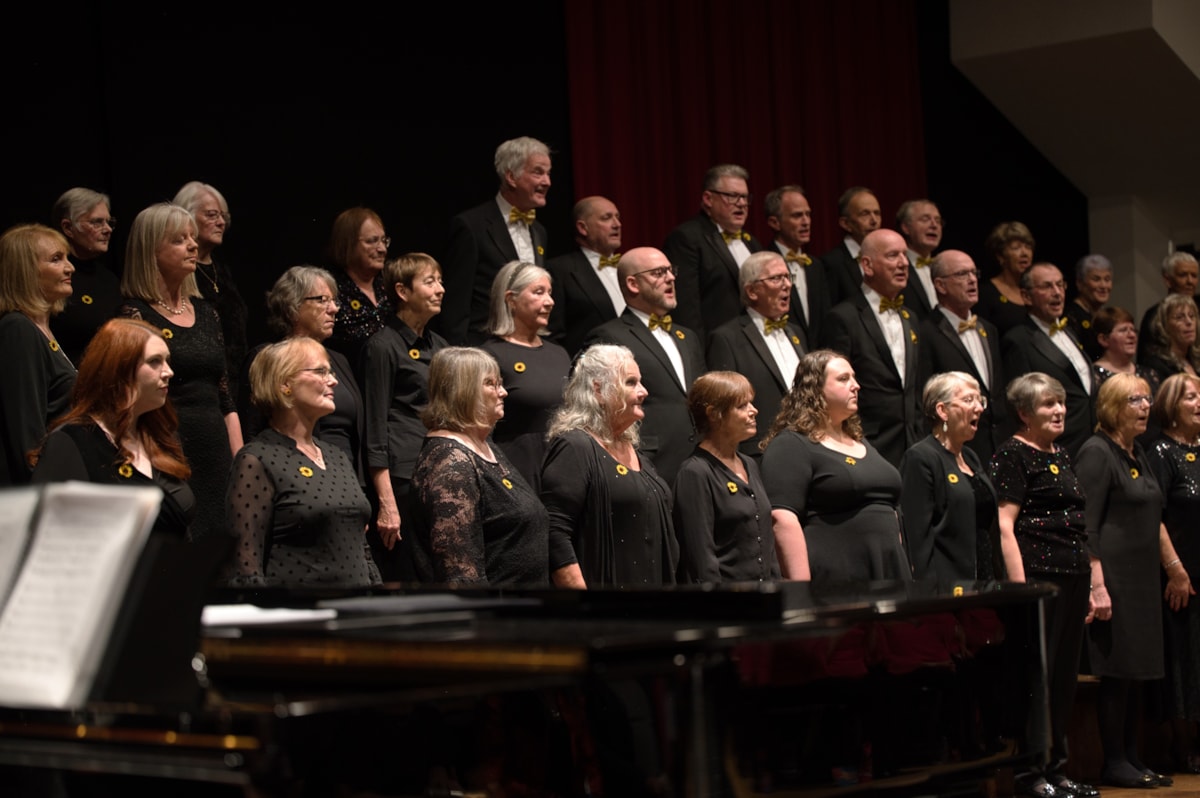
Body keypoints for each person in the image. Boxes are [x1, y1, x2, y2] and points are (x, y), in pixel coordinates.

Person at [989, 372, 1095, 798]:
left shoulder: (1061, 454)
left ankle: (1058, 767)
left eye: (1061, 403)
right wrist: (1021, 589)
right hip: (1039, 578)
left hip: (1073, 575)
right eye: (1048, 405)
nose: (1058, 411)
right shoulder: (1012, 455)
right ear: (1024, 413)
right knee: (1038, 675)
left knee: (1065, 677)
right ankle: (1030, 774)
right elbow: (1003, 525)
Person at [1077, 373, 1184, 788]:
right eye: (1135, 400)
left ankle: (1133, 758)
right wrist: (1097, 584)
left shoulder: (1134, 451)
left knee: (1136, 670)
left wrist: (1172, 565)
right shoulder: (1097, 452)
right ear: (1111, 407)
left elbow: (1153, 516)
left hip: (1141, 580)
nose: (1145, 407)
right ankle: (1114, 761)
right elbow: (1086, 525)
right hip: (1114, 578)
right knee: (1117, 671)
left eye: (1147, 399)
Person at [118, 203, 241, 540]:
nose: (192, 245)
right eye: (178, 240)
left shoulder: (206, 313)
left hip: (216, 451)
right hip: (169, 447)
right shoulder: (135, 314)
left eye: (192, 237)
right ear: (150, 250)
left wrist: (240, 461)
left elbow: (224, 395)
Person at [226, 337, 379, 588]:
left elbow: (361, 549)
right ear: (285, 383)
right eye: (321, 371)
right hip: (301, 615)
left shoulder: (336, 457)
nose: (333, 380)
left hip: (356, 612)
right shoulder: (257, 459)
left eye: (331, 371)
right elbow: (246, 571)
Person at [31, 319, 194, 538]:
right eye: (155, 361)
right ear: (119, 369)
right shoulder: (73, 442)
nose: (169, 372)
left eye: (167, 361)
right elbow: (47, 534)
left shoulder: (159, 435)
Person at [759, 349, 908, 583]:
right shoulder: (792, 444)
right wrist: (802, 589)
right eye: (843, 379)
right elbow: (782, 518)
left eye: (854, 377)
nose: (856, 385)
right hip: (838, 577)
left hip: (888, 570)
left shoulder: (860, 440)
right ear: (815, 389)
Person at [541, 344, 678, 588]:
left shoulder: (634, 451)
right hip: (602, 611)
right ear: (599, 390)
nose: (643, 391)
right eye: (630, 382)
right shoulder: (574, 447)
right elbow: (554, 534)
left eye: (640, 382)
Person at [409, 348, 549, 586]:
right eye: (491, 384)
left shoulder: (483, 446)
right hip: (493, 616)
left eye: (501, 383)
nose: (503, 392)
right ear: (462, 391)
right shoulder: (449, 461)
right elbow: (461, 576)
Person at [582, 247, 705, 485]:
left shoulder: (687, 336)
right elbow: (601, 409)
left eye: (671, 271)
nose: (670, 278)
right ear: (633, 284)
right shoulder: (608, 335)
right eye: (659, 272)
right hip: (648, 461)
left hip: (699, 464)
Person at [361, 253, 448, 576]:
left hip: (438, 471)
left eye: (440, 281)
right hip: (402, 477)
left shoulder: (440, 346)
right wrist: (386, 501)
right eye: (429, 282)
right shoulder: (383, 346)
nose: (440, 289)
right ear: (402, 291)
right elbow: (374, 426)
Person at [240, 267, 366, 485]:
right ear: (293, 308)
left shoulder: (340, 361)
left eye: (334, 300)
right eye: (322, 300)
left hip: (349, 481)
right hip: (297, 479)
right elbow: (252, 429)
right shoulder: (270, 358)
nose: (334, 308)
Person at [819, 228, 921, 467]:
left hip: (912, 442)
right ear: (867, 265)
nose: (904, 263)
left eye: (905, 255)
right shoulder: (843, 318)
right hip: (866, 443)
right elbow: (834, 388)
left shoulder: (910, 317)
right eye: (893, 255)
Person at [441, 137, 551, 344]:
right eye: (538, 172)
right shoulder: (471, 226)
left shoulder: (539, 231)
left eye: (548, 173)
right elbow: (456, 304)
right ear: (511, 177)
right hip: (484, 347)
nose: (547, 182)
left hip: (528, 345)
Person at [672, 371, 779, 583]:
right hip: (728, 605)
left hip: (763, 600)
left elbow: (767, 542)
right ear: (714, 414)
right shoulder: (695, 473)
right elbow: (700, 560)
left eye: (752, 403)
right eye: (742, 406)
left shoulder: (749, 464)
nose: (754, 411)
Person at [899, 372, 1000, 587]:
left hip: (985, 579)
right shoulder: (921, 458)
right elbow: (917, 538)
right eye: (968, 400)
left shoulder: (970, 457)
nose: (979, 408)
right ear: (942, 410)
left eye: (979, 400)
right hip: (948, 587)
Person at [1146, 374, 1200, 774]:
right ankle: (1185, 748)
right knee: (1186, 660)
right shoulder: (1160, 453)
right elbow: (1155, 517)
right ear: (1170, 405)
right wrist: (1175, 569)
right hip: (1183, 574)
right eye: (1192, 397)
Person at [706, 250, 808, 459]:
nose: (787, 284)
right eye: (776, 278)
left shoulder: (796, 332)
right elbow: (727, 405)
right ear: (752, 291)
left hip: (808, 446)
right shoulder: (726, 338)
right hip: (760, 452)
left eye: (788, 277)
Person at [480, 261, 570, 492]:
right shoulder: (491, 355)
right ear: (511, 300)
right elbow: (481, 427)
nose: (549, 301)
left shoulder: (559, 353)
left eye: (550, 293)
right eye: (539, 292)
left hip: (564, 470)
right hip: (517, 474)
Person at [0, 224, 77, 486]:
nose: (70, 268)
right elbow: (26, 431)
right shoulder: (18, 329)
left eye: (67, 258)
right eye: (57, 259)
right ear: (26, 271)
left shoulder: (43, 330)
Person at [917, 250, 1008, 464]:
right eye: (961, 274)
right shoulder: (926, 331)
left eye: (974, 273)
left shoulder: (988, 328)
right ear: (940, 285)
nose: (972, 280)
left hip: (996, 443)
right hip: (956, 448)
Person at [1001, 262, 1095, 458]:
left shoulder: (1069, 332)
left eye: (1060, 285)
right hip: (1057, 447)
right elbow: (1020, 403)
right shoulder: (1018, 340)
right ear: (1026, 296)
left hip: (1090, 442)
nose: (1057, 292)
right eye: (1047, 286)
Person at [662, 163, 762, 336]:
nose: (742, 204)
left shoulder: (751, 242)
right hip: (714, 345)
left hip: (756, 343)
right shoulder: (687, 238)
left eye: (745, 197)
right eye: (732, 196)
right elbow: (686, 308)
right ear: (708, 199)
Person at [173, 182, 248, 398]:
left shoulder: (222, 270)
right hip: (200, 388)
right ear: (186, 217)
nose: (221, 222)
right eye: (212, 215)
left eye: (224, 216)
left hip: (235, 387)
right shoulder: (179, 271)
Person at [545, 195, 624, 357]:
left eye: (617, 217)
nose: (617, 224)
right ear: (583, 227)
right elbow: (553, 332)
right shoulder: (560, 269)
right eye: (606, 218)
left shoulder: (627, 266)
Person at [50, 187, 122, 363]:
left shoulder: (110, 280)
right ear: (68, 227)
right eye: (97, 222)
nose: (108, 230)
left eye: (109, 222)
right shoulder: (52, 278)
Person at [763, 185, 830, 344]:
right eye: (797, 216)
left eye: (808, 214)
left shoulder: (816, 265)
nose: (806, 222)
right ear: (775, 222)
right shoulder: (764, 264)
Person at [324, 207, 393, 361]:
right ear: (347, 244)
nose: (382, 249)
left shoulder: (390, 285)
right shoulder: (331, 291)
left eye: (384, 241)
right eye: (372, 241)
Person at [819, 186, 882, 307]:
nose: (874, 221)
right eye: (865, 214)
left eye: (877, 213)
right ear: (845, 223)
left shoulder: (883, 257)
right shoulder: (831, 263)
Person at [976, 221, 1035, 336]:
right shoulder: (985, 293)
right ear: (1001, 256)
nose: (1024, 253)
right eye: (1016, 248)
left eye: (1028, 247)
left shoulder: (1035, 291)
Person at [1139, 252, 1199, 363]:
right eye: (1183, 275)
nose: (1190, 281)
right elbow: (1146, 359)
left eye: (1194, 276)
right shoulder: (1154, 315)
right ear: (1168, 280)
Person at [1091, 306, 1159, 394]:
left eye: (1133, 330)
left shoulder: (1149, 374)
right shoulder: (1093, 376)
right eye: (1123, 330)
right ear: (1103, 339)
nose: (1132, 335)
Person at [896, 198, 944, 319]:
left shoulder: (944, 266)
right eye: (925, 219)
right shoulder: (895, 267)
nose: (934, 225)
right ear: (906, 227)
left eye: (938, 221)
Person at [1142, 292, 1200, 381]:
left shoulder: (1195, 361)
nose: (1189, 322)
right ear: (1165, 325)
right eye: (1179, 317)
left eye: (1192, 316)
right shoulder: (1156, 366)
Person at [1065, 254, 1112, 360]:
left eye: (1107, 279)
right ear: (1080, 284)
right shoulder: (1071, 317)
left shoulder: (1105, 316)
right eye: (1096, 279)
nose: (1103, 286)